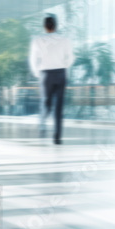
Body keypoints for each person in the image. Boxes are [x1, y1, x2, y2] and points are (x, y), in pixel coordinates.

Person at [30, 14, 74, 145]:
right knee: (59, 106)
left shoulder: (37, 40)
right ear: (56, 26)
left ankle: (42, 125)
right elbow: (70, 57)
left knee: (46, 102)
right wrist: (64, 66)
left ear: (45, 27)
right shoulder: (65, 40)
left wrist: (37, 73)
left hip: (45, 74)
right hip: (61, 73)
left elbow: (33, 59)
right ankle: (57, 136)